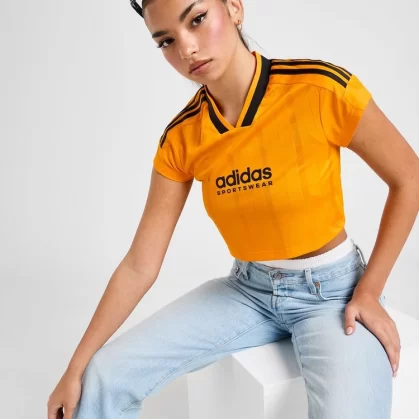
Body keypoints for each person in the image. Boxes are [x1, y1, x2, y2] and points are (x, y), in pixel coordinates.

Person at [47, 1, 419, 418]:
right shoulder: (182, 137)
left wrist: (368, 290)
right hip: (248, 292)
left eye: (197, 20)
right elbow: (139, 265)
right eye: (166, 41)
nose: (186, 49)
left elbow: (409, 177)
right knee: (103, 378)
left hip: (332, 294)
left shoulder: (319, 88)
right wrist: (75, 368)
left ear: (235, 8)